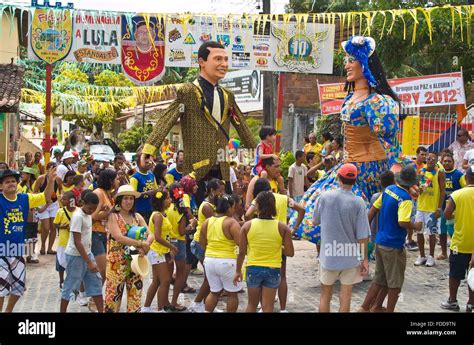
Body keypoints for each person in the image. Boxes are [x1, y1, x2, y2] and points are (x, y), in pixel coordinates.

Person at [290, 35, 407, 245]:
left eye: (351, 60)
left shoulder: (378, 101)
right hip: (348, 164)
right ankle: (346, 261)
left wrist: (397, 165)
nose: (346, 65)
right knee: (319, 211)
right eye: (347, 60)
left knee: (360, 218)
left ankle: (359, 262)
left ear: (365, 63)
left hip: (369, 170)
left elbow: (388, 139)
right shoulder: (350, 97)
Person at [140, 41, 257, 206]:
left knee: (226, 212)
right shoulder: (188, 92)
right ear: (202, 62)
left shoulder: (227, 95)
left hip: (222, 169)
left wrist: (259, 152)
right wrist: (150, 148)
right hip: (196, 170)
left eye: (225, 59)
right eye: (218, 59)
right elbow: (168, 118)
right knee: (195, 213)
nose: (224, 64)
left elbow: (242, 126)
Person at [360, 166, 420, 313]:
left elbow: (373, 210)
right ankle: (390, 310)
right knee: (395, 283)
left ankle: (367, 307)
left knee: (380, 279)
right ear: (412, 183)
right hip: (393, 245)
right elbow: (402, 222)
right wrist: (416, 226)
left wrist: (366, 232)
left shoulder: (388, 190)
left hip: (380, 241)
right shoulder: (406, 199)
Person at [313, 164, 370, 312]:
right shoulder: (359, 203)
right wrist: (364, 259)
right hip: (350, 256)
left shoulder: (324, 197)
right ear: (355, 181)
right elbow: (362, 236)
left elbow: (314, 221)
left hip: (328, 255)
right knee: (346, 296)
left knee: (325, 296)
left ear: (338, 178)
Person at [0, 167, 56, 312]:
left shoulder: (25, 198)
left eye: (13, 181)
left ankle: (8, 311)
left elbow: (45, 196)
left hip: (18, 249)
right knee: (1, 287)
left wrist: (50, 181)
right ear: (1, 186)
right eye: (7, 182)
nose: (11, 183)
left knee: (19, 286)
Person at [244, 178, 305, 312]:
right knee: (282, 276)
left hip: (261, 242)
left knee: (258, 275)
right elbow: (301, 209)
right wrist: (293, 228)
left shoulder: (258, 199)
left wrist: (255, 224)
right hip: (280, 239)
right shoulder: (283, 198)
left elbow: (247, 215)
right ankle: (283, 308)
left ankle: (261, 305)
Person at [234, 191, 294, 312]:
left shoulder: (247, 226)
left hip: (253, 267)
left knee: (251, 304)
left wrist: (237, 271)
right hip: (273, 269)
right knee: (268, 306)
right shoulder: (283, 227)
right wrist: (277, 247)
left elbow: (242, 252)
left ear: (258, 206)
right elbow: (290, 252)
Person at [105, 185, 151, 313]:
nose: (128, 201)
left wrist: (146, 245)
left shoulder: (137, 216)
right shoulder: (113, 216)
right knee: (113, 298)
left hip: (135, 262)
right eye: (125, 198)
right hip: (117, 263)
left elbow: (150, 234)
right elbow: (119, 238)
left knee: (135, 297)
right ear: (119, 200)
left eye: (131, 198)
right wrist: (141, 244)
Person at [60, 191, 103, 313]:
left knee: (96, 283)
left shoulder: (88, 214)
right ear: (84, 203)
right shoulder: (78, 216)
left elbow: (89, 224)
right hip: (75, 256)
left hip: (87, 254)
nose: (91, 211)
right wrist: (89, 262)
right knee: (71, 287)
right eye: (90, 208)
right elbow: (77, 242)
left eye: (94, 209)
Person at [199, 195, 241, 312]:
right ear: (229, 208)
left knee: (214, 292)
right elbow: (240, 244)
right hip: (228, 261)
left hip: (210, 260)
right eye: (233, 207)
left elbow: (202, 242)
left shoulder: (207, 222)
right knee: (232, 294)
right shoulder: (231, 222)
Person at [441, 166, 474, 312]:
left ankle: (452, 301)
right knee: (473, 275)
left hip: (460, 242)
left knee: (454, 274)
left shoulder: (457, 194)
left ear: (466, 178)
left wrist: (458, 215)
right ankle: (471, 303)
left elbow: (447, 214)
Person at [189, 178, 224, 312]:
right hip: (201, 243)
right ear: (211, 191)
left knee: (211, 277)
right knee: (210, 277)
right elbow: (218, 222)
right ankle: (197, 303)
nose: (222, 194)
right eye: (219, 191)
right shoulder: (207, 207)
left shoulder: (213, 203)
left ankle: (205, 304)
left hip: (208, 242)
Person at [143, 190, 175, 312]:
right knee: (165, 280)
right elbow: (157, 236)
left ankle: (146, 307)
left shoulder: (163, 214)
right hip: (157, 251)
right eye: (168, 198)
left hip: (162, 250)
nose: (170, 200)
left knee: (156, 281)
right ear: (161, 201)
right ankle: (161, 308)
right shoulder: (157, 215)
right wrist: (172, 246)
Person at [414, 151, 446, 267]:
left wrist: (439, 208)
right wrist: (418, 189)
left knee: (431, 233)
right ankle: (422, 255)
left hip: (432, 209)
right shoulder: (421, 172)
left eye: (433, 158)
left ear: (437, 160)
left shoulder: (439, 173)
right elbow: (418, 186)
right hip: (421, 207)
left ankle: (431, 256)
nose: (430, 160)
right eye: (428, 158)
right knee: (419, 231)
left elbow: (443, 191)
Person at [166, 183, 193, 311]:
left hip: (167, 242)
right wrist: (192, 225)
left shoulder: (166, 208)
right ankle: (174, 302)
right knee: (180, 275)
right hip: (179, 243)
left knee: (167, 275)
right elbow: (182, 231)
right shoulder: (180, 211)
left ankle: (164, 301)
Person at [91, 169, 120, 282]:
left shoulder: (108, 194)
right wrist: (110, 211)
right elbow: (93, 216)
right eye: (116, 179)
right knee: (102, 270)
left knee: (105, 270)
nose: (118, 181)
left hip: (104, 233)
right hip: (96, 233)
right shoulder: (99, 193)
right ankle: (93, 298)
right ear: (110, 181)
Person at [439, 153, 466, 260]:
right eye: (444, 161)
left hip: (455, 208)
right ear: (442, 162)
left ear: (453, 162)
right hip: (441, 207)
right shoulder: (439, 174)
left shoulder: (458, 175)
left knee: (453, 231)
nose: (446, 163)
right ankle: (444, 253)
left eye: (449, 161)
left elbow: (465, 188)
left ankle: (455, 252)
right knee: (442, 231)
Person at [34, 162, 60, 255]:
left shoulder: (58, 179)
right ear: (47, 169)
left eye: (55, 169)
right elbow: (35, 191)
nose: (53, 171)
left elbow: (60, 191)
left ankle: (50, 248)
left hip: (53, 204)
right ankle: (43, 246)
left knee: (53, 227)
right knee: (46, 227)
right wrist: (38, 204)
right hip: (43, 204)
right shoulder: (41, 178)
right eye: (51, 169)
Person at [53, 192, 77, 290]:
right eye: (62, 199)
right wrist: (63, 226)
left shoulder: (78, 211)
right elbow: (55, 224)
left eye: (64, 199)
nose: (62, 201)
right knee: (61, 261)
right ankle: (61, 280)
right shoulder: (60, 211)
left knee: (74, 263)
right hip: (63, 241)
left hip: (74, 241)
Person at [131, 152, 161, 223]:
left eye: (149, 162)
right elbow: (132, 195)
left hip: (151, 209)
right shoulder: (135, 177)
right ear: (139, 163)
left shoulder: (151, 175)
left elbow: (156, 189)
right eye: (146, 162)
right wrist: (147, 193)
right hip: (139, 210)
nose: (149, 164)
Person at [18, 167, 40, 264]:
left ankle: (30, 254)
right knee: (26, 233)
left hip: (34, 210)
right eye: (22, 174)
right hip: (24, 211)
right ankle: (26, 254)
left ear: (29, 175)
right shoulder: (20, 186)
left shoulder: (35, 185)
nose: (22, 175)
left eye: (24, 174)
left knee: (33, 233)